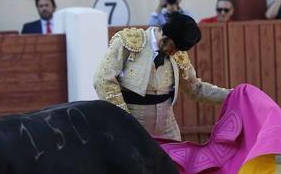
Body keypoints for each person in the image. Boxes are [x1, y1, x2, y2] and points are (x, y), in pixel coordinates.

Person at [94, 11, 230, 141]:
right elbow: (103, 79)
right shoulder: (128, 42)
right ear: (166, 36)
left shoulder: (178, 54)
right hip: (132, 126)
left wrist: (232, 95)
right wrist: (123, 118)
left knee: (173, 164)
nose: (175, 52)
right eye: (175, 47)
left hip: (167, 129)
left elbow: (196, 89)